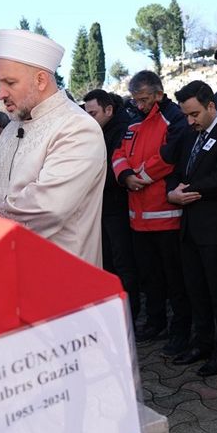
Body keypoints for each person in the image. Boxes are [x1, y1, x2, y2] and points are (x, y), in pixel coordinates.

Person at [0, 29, 106, 267]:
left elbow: (48, 208)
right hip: (10, 266)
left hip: (61, 273)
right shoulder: (11, 129)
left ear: (41, 80)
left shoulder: (77, 127)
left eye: (9, 82)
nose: (1, 93)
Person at [111, 70, 192, 356]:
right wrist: (125, 176)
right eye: (136, 100)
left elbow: (171, 154)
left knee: (175, 280)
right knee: (150, 278)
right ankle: (155, 322)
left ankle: (181, 330)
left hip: (165, 215)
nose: (141, 105)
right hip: (138, 217)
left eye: (145, 99)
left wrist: (140, 176)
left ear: (158, 93)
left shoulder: (174, 117)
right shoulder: (133, 120)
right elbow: (119, 152)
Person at [165, 81, 217, 377]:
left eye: (194, 114)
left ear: (211, 106)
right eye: (185, 115)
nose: (190, 120)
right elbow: (176, 173)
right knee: (196, 291)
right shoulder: (189, 134)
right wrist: (172, 192)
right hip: (189, 229)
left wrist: (187, 190)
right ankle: (201, 342)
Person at [83, 89, 140, 321]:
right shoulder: (97, 130)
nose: (89, 119)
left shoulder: (122, 130)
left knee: (123, 261)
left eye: (93, 113)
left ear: (109, 110)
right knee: (108, 260)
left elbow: (112, 169)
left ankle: (130, 312)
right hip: (102, 207)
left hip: (116, 205)